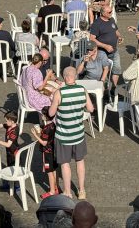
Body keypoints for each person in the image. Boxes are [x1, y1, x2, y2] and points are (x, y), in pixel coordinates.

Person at [49, 66, 94, 200]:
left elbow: (51, 113)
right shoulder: (82, 90)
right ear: (74, 77)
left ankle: (67, 191)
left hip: (63, 135)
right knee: (80, 161)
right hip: (79, 133)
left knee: (65, 163)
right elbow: (91, 108)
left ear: (65, 77)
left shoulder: (59, 92)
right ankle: (81, 190)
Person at [89, 5, 122, 89]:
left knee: (117, 69)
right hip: (102, 52)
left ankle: (113, 88)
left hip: (114, 50)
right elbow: (92, 39)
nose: (111, 13)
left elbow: (116, 30)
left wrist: (119, 36)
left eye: (111, 11)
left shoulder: (111, 20)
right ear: (103, 13)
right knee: (103, 71)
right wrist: (105, 46)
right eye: (109, 12)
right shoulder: (97, 24)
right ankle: (102, 89)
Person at [31, 106, 58, 198]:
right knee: (54, 169)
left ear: (46, 116)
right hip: (53, 150)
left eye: (42, 114)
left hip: (47, 152)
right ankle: (56, 187)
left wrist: (35, 135)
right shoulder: (53, 125)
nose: (41, 115)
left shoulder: (46, 128)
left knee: (49, 172)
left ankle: (51, 191)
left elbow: (44, 142)